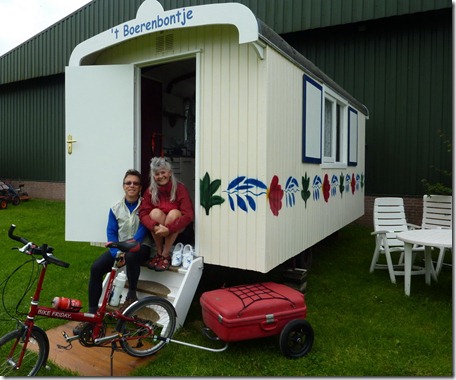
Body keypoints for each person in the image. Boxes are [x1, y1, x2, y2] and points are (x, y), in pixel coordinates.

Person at [73, 169, 152, 335]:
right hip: (120, 249)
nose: (131, 186)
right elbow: (111, 232)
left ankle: (131, 296)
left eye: (135, 183)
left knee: (131, 255)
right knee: (96, 268)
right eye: (128, 183)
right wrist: (117, 252)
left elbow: (142, 232)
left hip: (141, 247)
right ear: (123, 186)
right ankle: (92, 315)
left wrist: (126, 250)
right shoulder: (115, 208)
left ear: (140, 187)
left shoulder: (146, 205)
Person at [139, 157, 194, 271]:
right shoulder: (150, 191)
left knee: (174, 213)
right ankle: (159, 253)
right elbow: (143, 212)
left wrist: (168, 229)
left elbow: (188, 215)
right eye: (157, 174)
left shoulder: (180, 188)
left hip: (179, 230)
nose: (160, 176)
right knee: (154, 213)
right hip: (158, 230)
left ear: (169, 173)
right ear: (153, 176)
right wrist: (154, 226)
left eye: (163, 172)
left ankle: (165, 254)